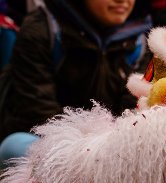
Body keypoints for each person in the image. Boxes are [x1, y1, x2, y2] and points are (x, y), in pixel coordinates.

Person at [0, 0, 152, 168]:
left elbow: (133, 112)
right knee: (12, 146)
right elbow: (36, 111)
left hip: (111, 148)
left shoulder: (142, 41)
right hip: (48, 144)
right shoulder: (43, 29)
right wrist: (84, 156)